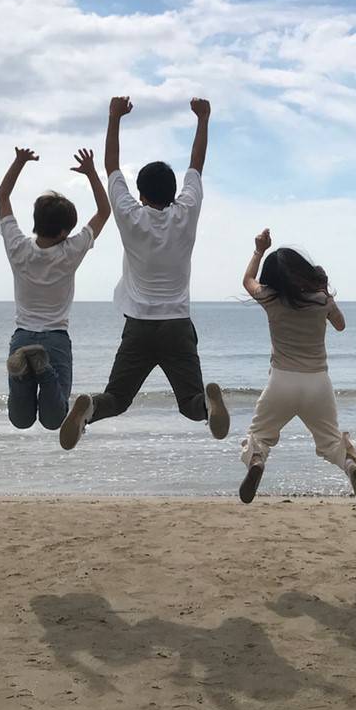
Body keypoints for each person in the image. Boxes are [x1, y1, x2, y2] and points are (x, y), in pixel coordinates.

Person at [60, 96, 230, 449]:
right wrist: (203, 118)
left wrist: (114, 117)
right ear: (174, 192)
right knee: (190, 403)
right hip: (177, 325)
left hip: (138, 326)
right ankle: (208, 405)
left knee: (117, 398)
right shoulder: (186, 211)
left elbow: (111, 165)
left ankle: (90, 408)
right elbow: (196, 165)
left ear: (140, 194)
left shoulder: (130, 214)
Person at [238, 228, 356, 504]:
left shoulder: (270, 298)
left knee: (259, 437)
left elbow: (247, 280)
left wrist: (259, 250)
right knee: (331, 442)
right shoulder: (321, 300)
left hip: (281, 382)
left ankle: (257, 462)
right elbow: (341, 325)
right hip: (317, 383)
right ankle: (351, 467)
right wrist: (325, 293)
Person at [0, 145, 110, 431]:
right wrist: (91, 172)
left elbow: (3, 196)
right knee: (54, 419)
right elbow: (104, 211)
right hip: (55, 339)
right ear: (63, 232)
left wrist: (19, 161)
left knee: (20, 420)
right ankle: (43, 370)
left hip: (22, 336)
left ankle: (22, 372)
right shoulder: (70, 251)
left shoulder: (17, 247)